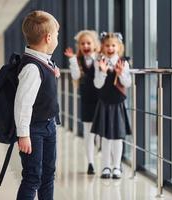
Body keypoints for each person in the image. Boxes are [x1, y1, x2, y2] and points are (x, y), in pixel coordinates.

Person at [14, 10, 60, 200]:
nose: (57, 38)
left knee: (48, 175)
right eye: (57, 35)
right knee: (33, 177)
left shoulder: (43, 62)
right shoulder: (32, 68)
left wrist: (52, 72)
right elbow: (23, 104)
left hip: (48, 126)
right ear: (48, 38)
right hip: (34, 130)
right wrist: (23, 134)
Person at [91, 32, 132, 179]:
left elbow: (128, 83)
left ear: (119, 47)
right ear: (102, 47)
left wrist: (120, 74)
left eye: (113, 45)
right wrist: (102, 72)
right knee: (106, 138)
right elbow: (97, 84)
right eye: (107, 45)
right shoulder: (99, 62)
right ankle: (105, 167)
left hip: (118, 104)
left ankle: (117, 166)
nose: (110, 48)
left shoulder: (123, 62)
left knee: (118, 138)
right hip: (105, 103)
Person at [64, 30, 100, 175]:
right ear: (79, 46)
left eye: (88, 43)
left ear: (95, 44)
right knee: (88, 132)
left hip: (101, 100)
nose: (86, 46)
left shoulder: (100, 58)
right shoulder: (77, 61)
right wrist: (72, 60)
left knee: (102, 132)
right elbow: (76, 76)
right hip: (86, 99)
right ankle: (90, 162)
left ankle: (108, 161)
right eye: (82, 43)